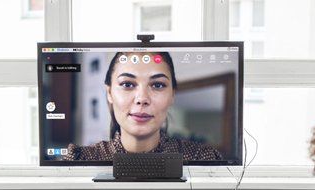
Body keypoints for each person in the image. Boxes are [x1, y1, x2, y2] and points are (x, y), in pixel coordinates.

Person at [64, 52, 222, 161]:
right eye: (127, 84)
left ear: (172, 95)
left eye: (158, 85)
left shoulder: (203, 158)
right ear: (110, 93)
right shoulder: (78, 159)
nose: (142, 99)